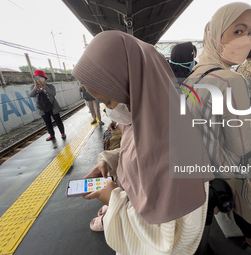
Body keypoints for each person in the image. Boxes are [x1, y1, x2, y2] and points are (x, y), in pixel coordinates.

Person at [72, 30, 213, 254]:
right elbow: (138, 152)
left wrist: (112, 198)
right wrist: (108, 162)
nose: (108, 111)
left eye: (107, 101)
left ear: (133, 87)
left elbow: (162, 242)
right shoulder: (147, 120)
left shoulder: (174, 150)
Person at [183, 2, 251, 252]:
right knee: (242, 195)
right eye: (238, 31)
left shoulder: (192, 77)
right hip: (221, 165)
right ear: (215, 35)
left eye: (250, 32)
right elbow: (240, 143)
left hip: (194, 164)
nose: (246, 39)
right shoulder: (231, 80)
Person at [30, 70, 66, 141]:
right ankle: (51, 135)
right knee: (47, 122)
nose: (38, 79)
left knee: (58, 120)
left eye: (40, 77)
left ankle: (62, 133)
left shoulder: (50, 86)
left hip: (53, 107)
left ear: (44, 78)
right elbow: (31, 95)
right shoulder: (33, 87)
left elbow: (53, 93)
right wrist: (35, 88)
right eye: (37, 78)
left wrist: (44, 87)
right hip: (42, 108)